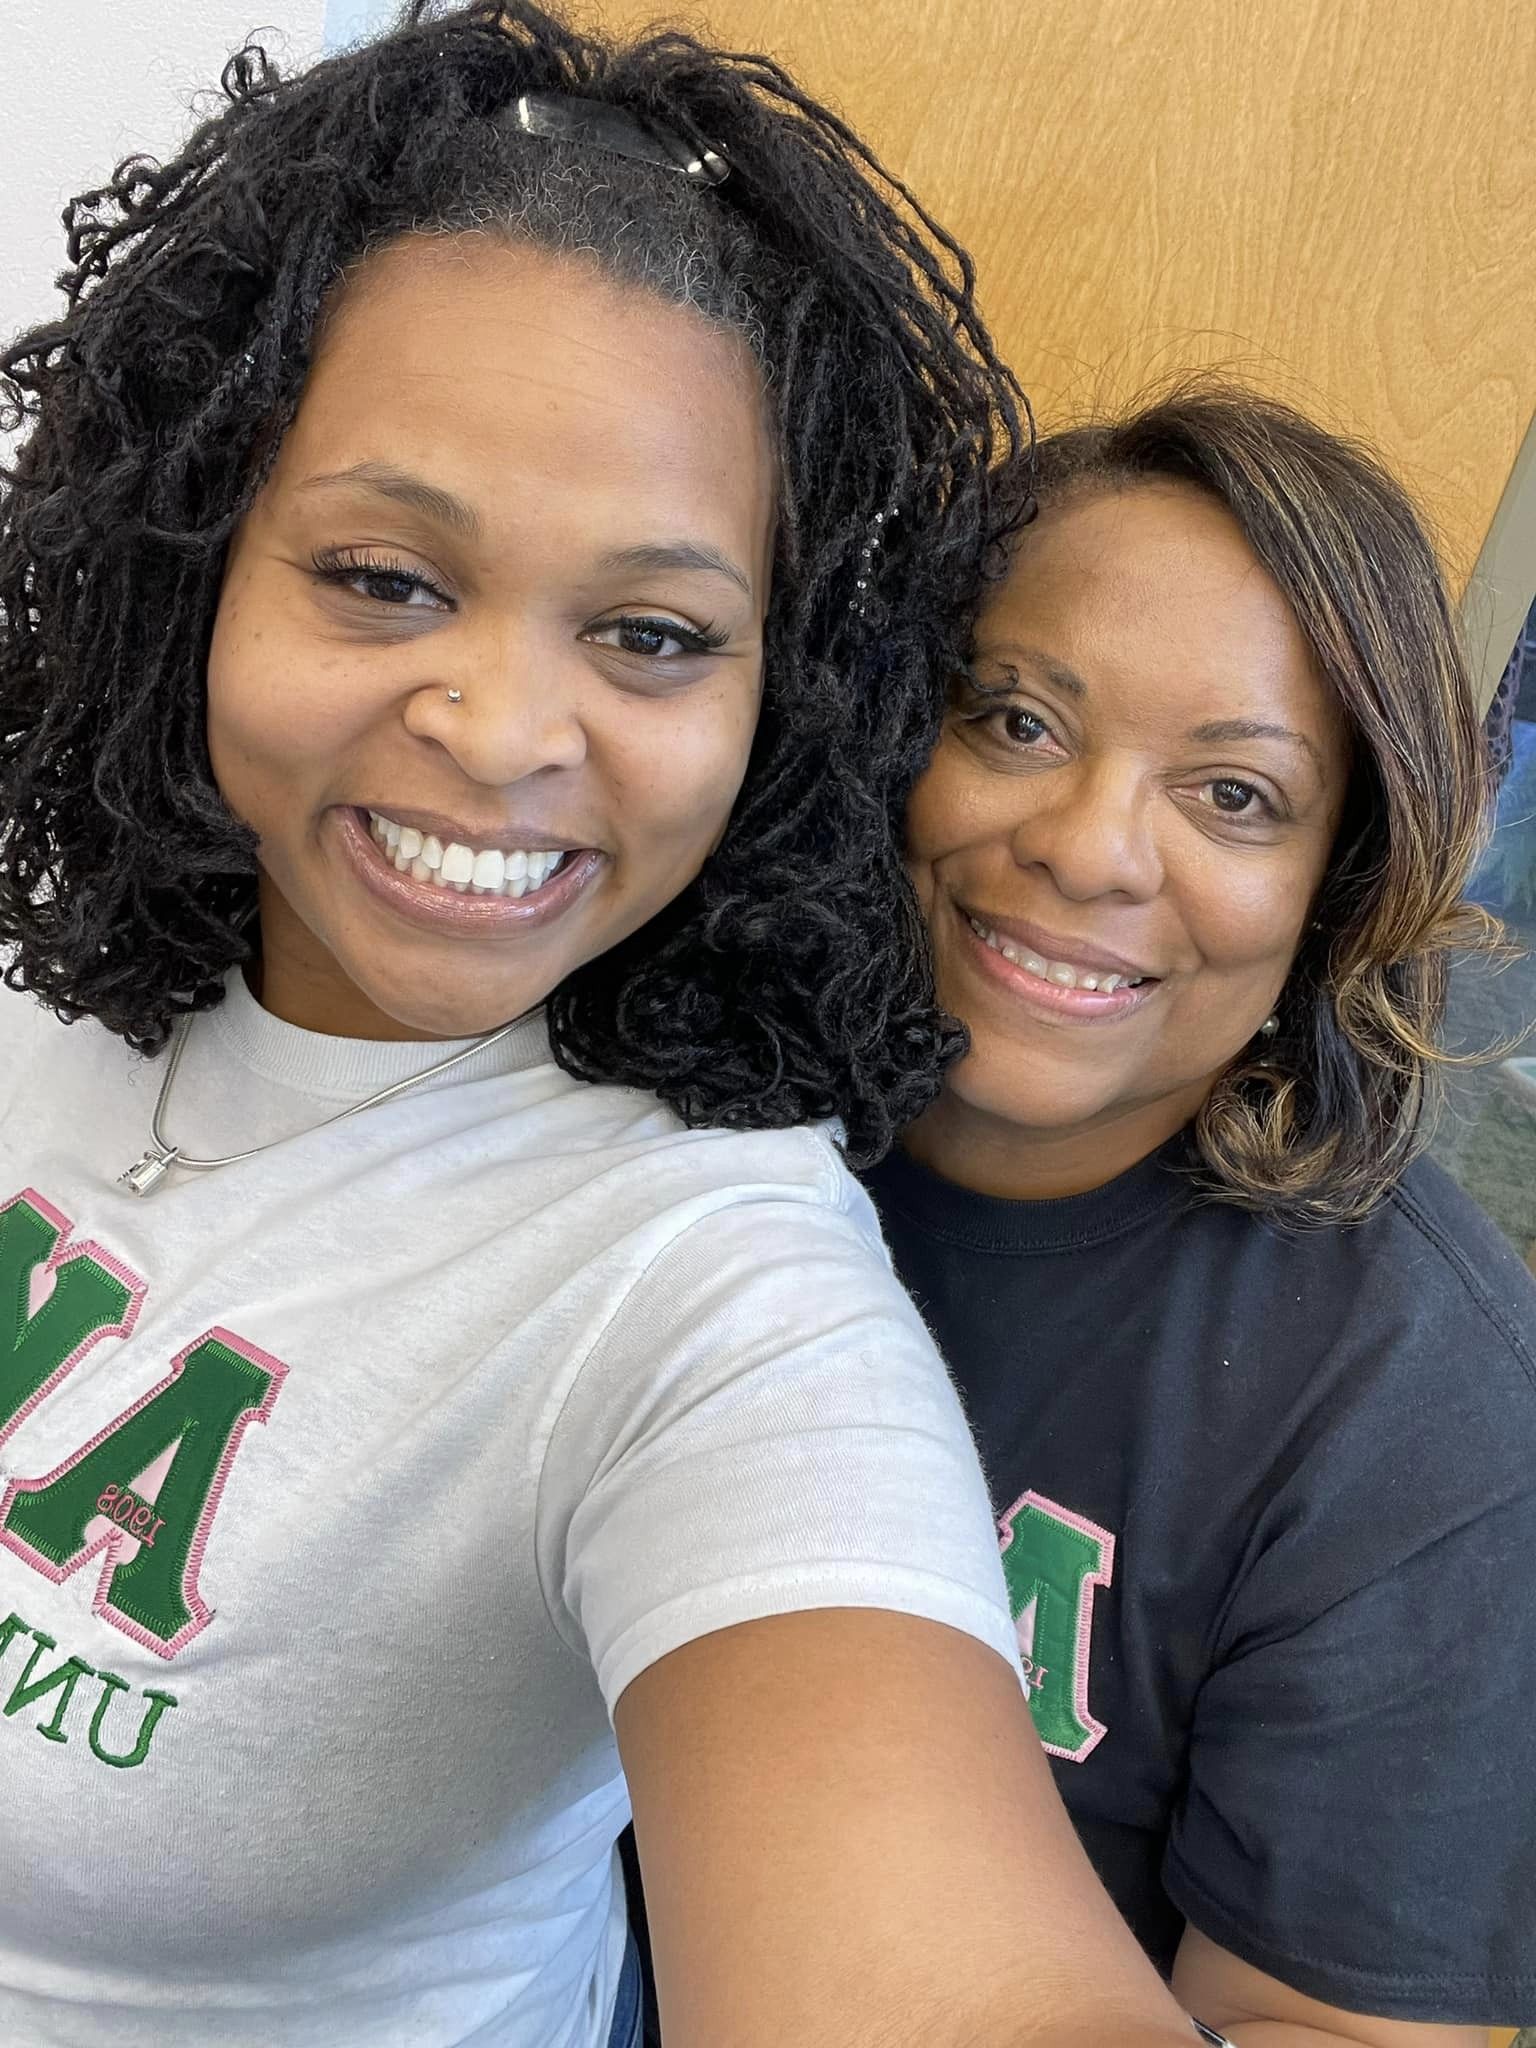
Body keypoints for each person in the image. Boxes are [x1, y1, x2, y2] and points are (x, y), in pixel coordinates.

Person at [0, 6, 1213, 2047]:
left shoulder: (709, 1285)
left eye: (651, 633)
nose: (500, 731)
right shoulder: (60, 969)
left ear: (779, 695)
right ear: (191, 555)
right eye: (384, 578)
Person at [864, 387, 1536, 2046]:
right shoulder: (690, 1118)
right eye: (1018, 720)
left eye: (1234, 794)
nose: (1091, 849)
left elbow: (1330, 2028)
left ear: (1338, 884)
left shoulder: (1421, 1410)